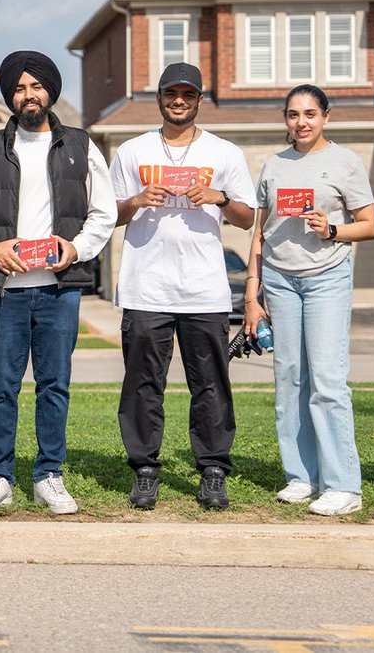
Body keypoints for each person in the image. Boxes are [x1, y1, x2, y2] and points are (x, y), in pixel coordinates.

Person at [0, 51, 115, 515]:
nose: (29, 95)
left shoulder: (83, 147)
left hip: (59, 288)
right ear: (10, 95)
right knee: (1, 386)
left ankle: (49, 475)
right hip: (6, 290)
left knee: (54, 385)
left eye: (37, 86)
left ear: (50, 91)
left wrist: (77, 248)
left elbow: (103, 212)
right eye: (20, 88)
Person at [110, 62, 256, 511]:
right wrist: (135, 201)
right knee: (142, 384)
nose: (178, 101)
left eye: (187, 94)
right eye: (170, 94)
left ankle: (213, 469)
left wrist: (220, 198)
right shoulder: (132, 151)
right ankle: (145, 470)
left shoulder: (224, 153)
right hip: (145, 286)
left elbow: (249, 217)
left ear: (198, 101)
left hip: (204, 288)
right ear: (158, 99)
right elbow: (108, 216)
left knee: (210, 383)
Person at [244, 85, 374, 516]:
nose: (301, 122)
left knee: (327, 380)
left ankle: (343, 486)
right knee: (289, 380)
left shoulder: (345, 162)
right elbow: (259, 232)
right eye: (293, 114)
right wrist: (253, 289)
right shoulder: (273, 165)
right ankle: (302, 476)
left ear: (326, 116)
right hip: (280, 280)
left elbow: (371, 225)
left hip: (327, 278)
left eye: (310, 114)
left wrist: (332, 229)